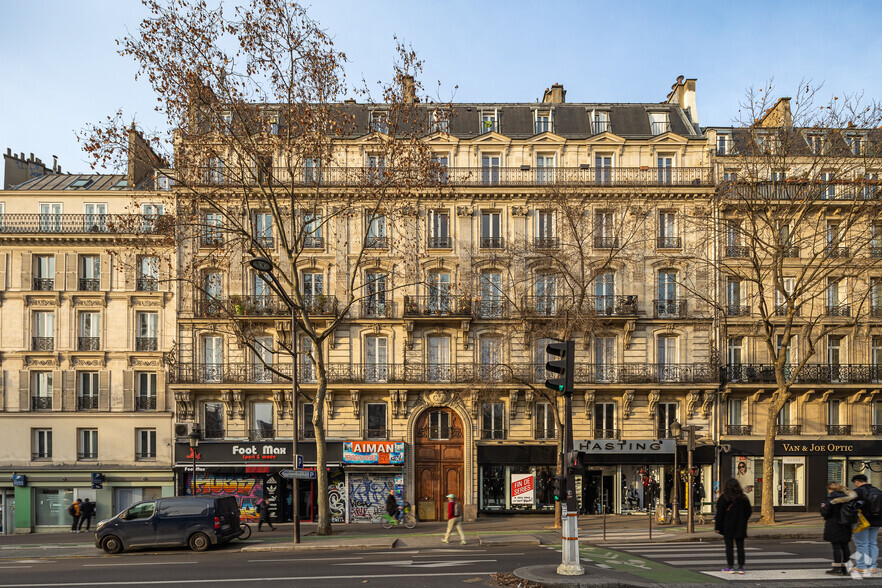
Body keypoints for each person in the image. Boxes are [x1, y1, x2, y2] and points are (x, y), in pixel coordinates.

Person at [832, 474, 881, 578]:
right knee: (872, 543)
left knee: (862, 544)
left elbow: (848, 499)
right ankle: (873, 566)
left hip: (861, 522)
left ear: (857, 482)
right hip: (876, 521)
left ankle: (862, 566)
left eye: (855, 483)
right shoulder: (877, 490)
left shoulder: (859, 491)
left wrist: (835, 501)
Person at [714, 478, 751, 574]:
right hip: (740, 526)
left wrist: (717, 527)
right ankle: (741, 567)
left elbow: (719, 514)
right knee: (740, 547)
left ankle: (730, 567)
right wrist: (743, 520)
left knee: (729, 547)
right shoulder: (743, 498)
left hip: (728, 526)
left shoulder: (724, 498)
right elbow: (748, 512)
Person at [820, 482, 853, 576]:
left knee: (836, 547)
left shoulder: (830, 499)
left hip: (834, 524)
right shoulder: (847, 498)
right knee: (845, 546)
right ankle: (846, 568)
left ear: (830, 489)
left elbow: (825, 512)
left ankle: (837, 568)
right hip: (846, 524)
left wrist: (822, 508)